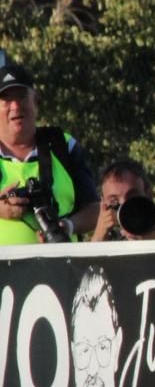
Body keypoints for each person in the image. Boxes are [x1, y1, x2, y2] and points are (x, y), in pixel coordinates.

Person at [0, 53, 98, 244]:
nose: (15, 106)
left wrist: (67, 226)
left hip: (61, 261)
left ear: (36, 101)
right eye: (5, 99)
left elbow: (94, 209)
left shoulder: (62, 145)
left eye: (22, 96)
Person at [90, 160, 155, 242]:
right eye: (114, 201)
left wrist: (154, 239)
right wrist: (98, 239)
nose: (124, 205)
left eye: (132, 197)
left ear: (149, 194)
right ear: (104, 205)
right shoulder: (103, 245)